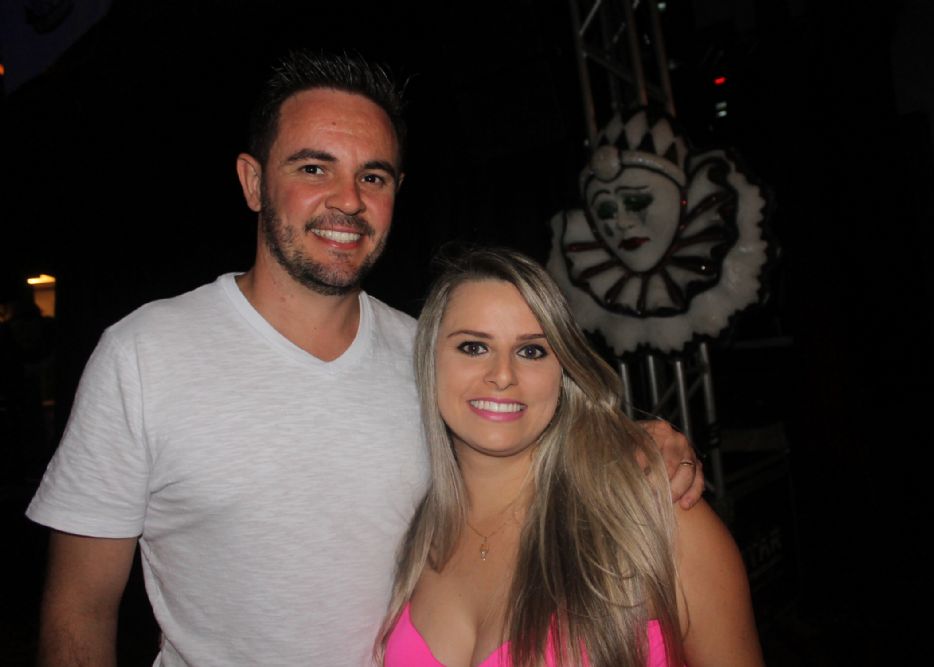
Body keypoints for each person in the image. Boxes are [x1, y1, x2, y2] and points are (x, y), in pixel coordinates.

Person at [25, 50, 703, 666]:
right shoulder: (143, 356)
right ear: (253, 182)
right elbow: (78, 612)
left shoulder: (432, 360)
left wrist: (633, 444)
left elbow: (534, 447)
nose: (348, 200)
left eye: (372, 175)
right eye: (313, 167)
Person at [377, 247, 763, 666]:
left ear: (563, 373)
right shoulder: (409, 535)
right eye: (473, 347)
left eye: (532, 351)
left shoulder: (657, 519)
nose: (502, 375)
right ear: (430, 362)